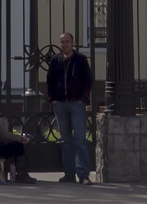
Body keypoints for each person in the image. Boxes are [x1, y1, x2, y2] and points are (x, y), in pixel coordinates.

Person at [47, 32, 95, 184]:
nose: (64, 44)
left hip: (77, 104)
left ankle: (83, 175)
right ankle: (69, 174)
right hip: (60, 104)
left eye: (67, 41)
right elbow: (50, 81)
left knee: (80, 139)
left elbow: (88, 80)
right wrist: (53, 99)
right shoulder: (55, 60)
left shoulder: (80, 59)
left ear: (72, 43)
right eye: (62, 42)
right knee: (66, 140)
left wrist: (83, 99)